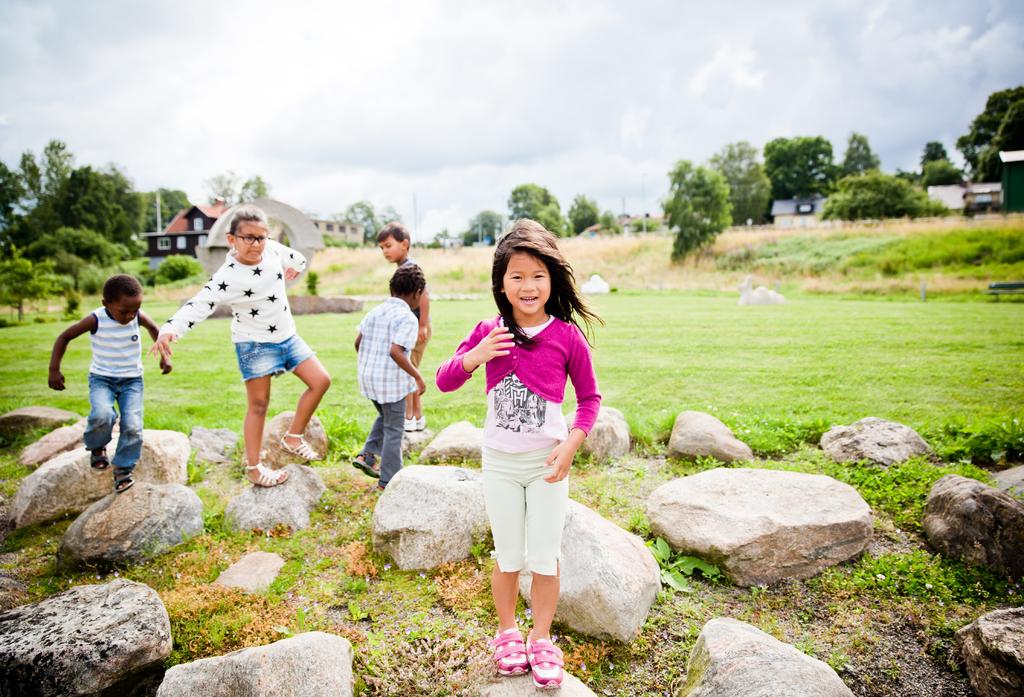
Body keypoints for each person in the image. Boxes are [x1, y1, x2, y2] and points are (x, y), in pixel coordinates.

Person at [435, 219, 602, 689]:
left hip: (548, 465)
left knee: (545, 557)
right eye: (517, 276)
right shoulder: (489, 331)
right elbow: (445, 378)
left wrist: (572, 442)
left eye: (537, 276)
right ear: (501, 283)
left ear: (552, 279)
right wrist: (477, 354)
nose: (528, 286)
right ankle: (508, 632)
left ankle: (542, 637)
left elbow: (590, 399)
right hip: (501, 466)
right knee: (509, 556)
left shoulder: (567, 336)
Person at [151, 204, 331, 488]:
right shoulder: (228, 276)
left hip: (287, 337)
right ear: (231, 239)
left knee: (320, 380)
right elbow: (200, 303)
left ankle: (293, 437)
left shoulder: (271, 249)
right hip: (254, 344)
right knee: (258, 405)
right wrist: (171, 329)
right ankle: (254, 468)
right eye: (248, 237)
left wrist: (295, 266)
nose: (256, 244)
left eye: (261, 237)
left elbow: (295, 256)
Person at [48, 274, 171, 493]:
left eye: (135, 310)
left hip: (132, 380)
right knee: (102, 415)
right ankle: (97, 446)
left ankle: (123, 468)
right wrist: (54, 369)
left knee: (133, 426)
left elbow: (155, 329)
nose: (131, 316)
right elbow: (64, 337)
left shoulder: (136, 316)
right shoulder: (95, 319)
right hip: (102, 379)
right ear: (106, 304)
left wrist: (164, 356)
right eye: (124, 311)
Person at [351, 264, 427, 489]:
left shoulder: (375, 311)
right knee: (395, 429)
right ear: (417, 294)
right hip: (390, 385)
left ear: (392, 288)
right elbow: (396, 351)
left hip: (368, 379)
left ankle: (367, 455)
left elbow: (358, 342)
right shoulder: (407, 318)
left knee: (386, 417)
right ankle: (389, 480)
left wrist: (370, 363)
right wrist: (418, 377)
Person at [377, 222, 430, 432]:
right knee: (410, 370)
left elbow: (424, 295)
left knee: (406, 372)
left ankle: (408, 416)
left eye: (388, 245)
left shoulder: (410, 267)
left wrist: (423, 325)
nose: (385, 251)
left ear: (404, 244)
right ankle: (417, 417)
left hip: (414, 328)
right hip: (408, 328)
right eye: (381, 248)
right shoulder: (403, 267)